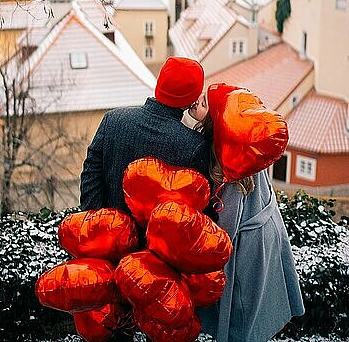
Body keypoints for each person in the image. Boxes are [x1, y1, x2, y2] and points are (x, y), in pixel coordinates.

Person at [189, 85, 305, 342]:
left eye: (205, 103)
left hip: (247, 249)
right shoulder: (244, 145)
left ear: (217, 119)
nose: (197, 102)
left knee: (243, 315)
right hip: (267, 235)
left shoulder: (228, 164)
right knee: (262, 305)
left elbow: (226, 230)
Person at [79, 56, 209, 214]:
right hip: (157, 237)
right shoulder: (194, 145)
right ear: (191, 99)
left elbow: (91, 172)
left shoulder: (113, 119)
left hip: (109, 231)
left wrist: (97, 220)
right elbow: (195, 205)